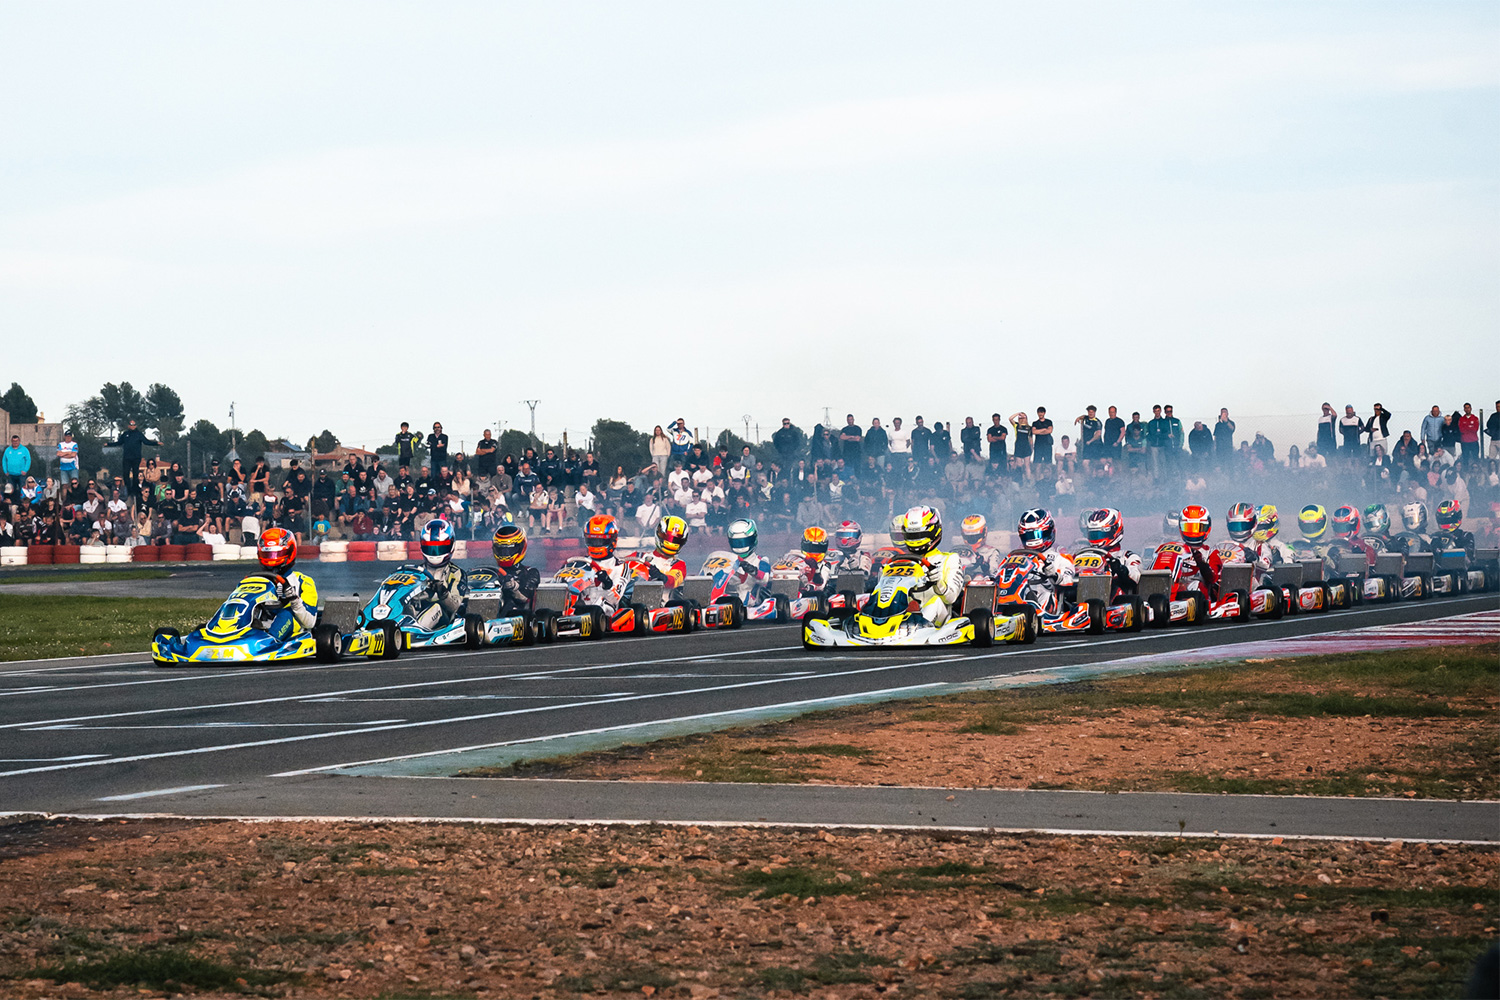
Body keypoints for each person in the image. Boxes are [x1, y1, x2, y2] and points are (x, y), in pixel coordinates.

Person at [888, 505, 965, 626]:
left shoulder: (950, 559)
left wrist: (938, 583)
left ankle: (917, 624)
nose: (915, 540)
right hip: (901, 613)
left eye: (919, 535)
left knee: (936, 601)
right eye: (912, 536)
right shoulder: (897, 562)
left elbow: (951, 598)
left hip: (939, 618)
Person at [409, 519, 468, 630]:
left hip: (445, 618)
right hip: (418, 611)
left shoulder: (456, 573)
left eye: (440, 547)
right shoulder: (416, 572)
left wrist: (443, 592)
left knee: (435, 607)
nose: (435, 553)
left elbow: (455, 606)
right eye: (430, 547)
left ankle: (413, 631)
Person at [1015, 507, 1075, 611]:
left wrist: (1053, 575)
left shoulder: (1060, 558)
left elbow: (1068, 580)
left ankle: (1036, 616)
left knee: (1042, 593)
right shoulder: (1017, 557)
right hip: (1018, 596)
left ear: (1049, 532)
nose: (1033, 539)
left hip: (1046, 600)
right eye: (1028, 535)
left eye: (1036, 534)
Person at [490, 523, 541, 614]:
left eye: (509, 550)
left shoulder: (530, 572)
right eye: (501, 550)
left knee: (510, 603)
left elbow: (525, 599)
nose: (505, 553)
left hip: (515, 613)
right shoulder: (491, 571)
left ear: (521, 547)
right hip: (487, 609)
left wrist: (513, 587)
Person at [956, 514, 1002, 581]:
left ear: (984, 532)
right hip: (959, 582)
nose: (972, 539)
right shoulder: (958, 551)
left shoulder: (991, 552)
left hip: (980, 585)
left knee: (979, 576)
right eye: (969, 537)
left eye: (975, 536)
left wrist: (983, 564)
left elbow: (993, 573)